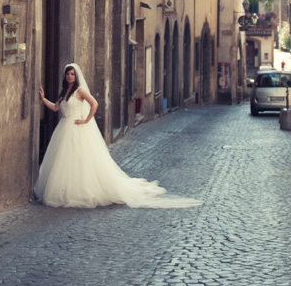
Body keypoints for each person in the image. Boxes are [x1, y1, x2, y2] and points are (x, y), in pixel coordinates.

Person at [35, 63, 202, 209]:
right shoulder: (64, 92)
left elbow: (94, 104)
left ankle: (82, 191)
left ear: (76, 76)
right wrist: (43, 99)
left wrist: (86, 120)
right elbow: (56, 108)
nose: (70, 76)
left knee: (82, 160)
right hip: (64, 128)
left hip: (77, 128)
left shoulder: (80, 91)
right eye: (68, 74)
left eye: (72, 74)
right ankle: (66, 190)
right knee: (65, 162)